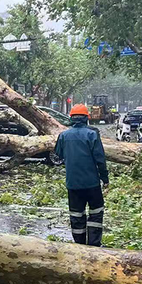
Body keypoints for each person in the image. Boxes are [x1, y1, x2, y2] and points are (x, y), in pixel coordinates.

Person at [54, 104, 109, 246]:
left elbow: (57, 155)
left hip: (73, 183)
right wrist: (105, 179)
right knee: (96, 213)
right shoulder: (92, 134)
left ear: (71, 118)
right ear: (86, 118)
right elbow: (100, 159)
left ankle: (79, 245)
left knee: (76, 215)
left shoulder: (64, 136)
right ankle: (94, 245)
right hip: (92, 183)